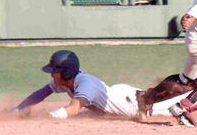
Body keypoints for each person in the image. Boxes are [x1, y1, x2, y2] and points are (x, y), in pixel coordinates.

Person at [12, 50, 185, 119]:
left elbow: (72, 109)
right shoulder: (63, 81)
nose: (51, 73)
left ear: (65, 72)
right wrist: (17, 109)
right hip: (117, 94)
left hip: (134, 104)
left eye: (54, 70)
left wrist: (46, 117)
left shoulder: (85, 84)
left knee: (177, 104)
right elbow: (40, 94)